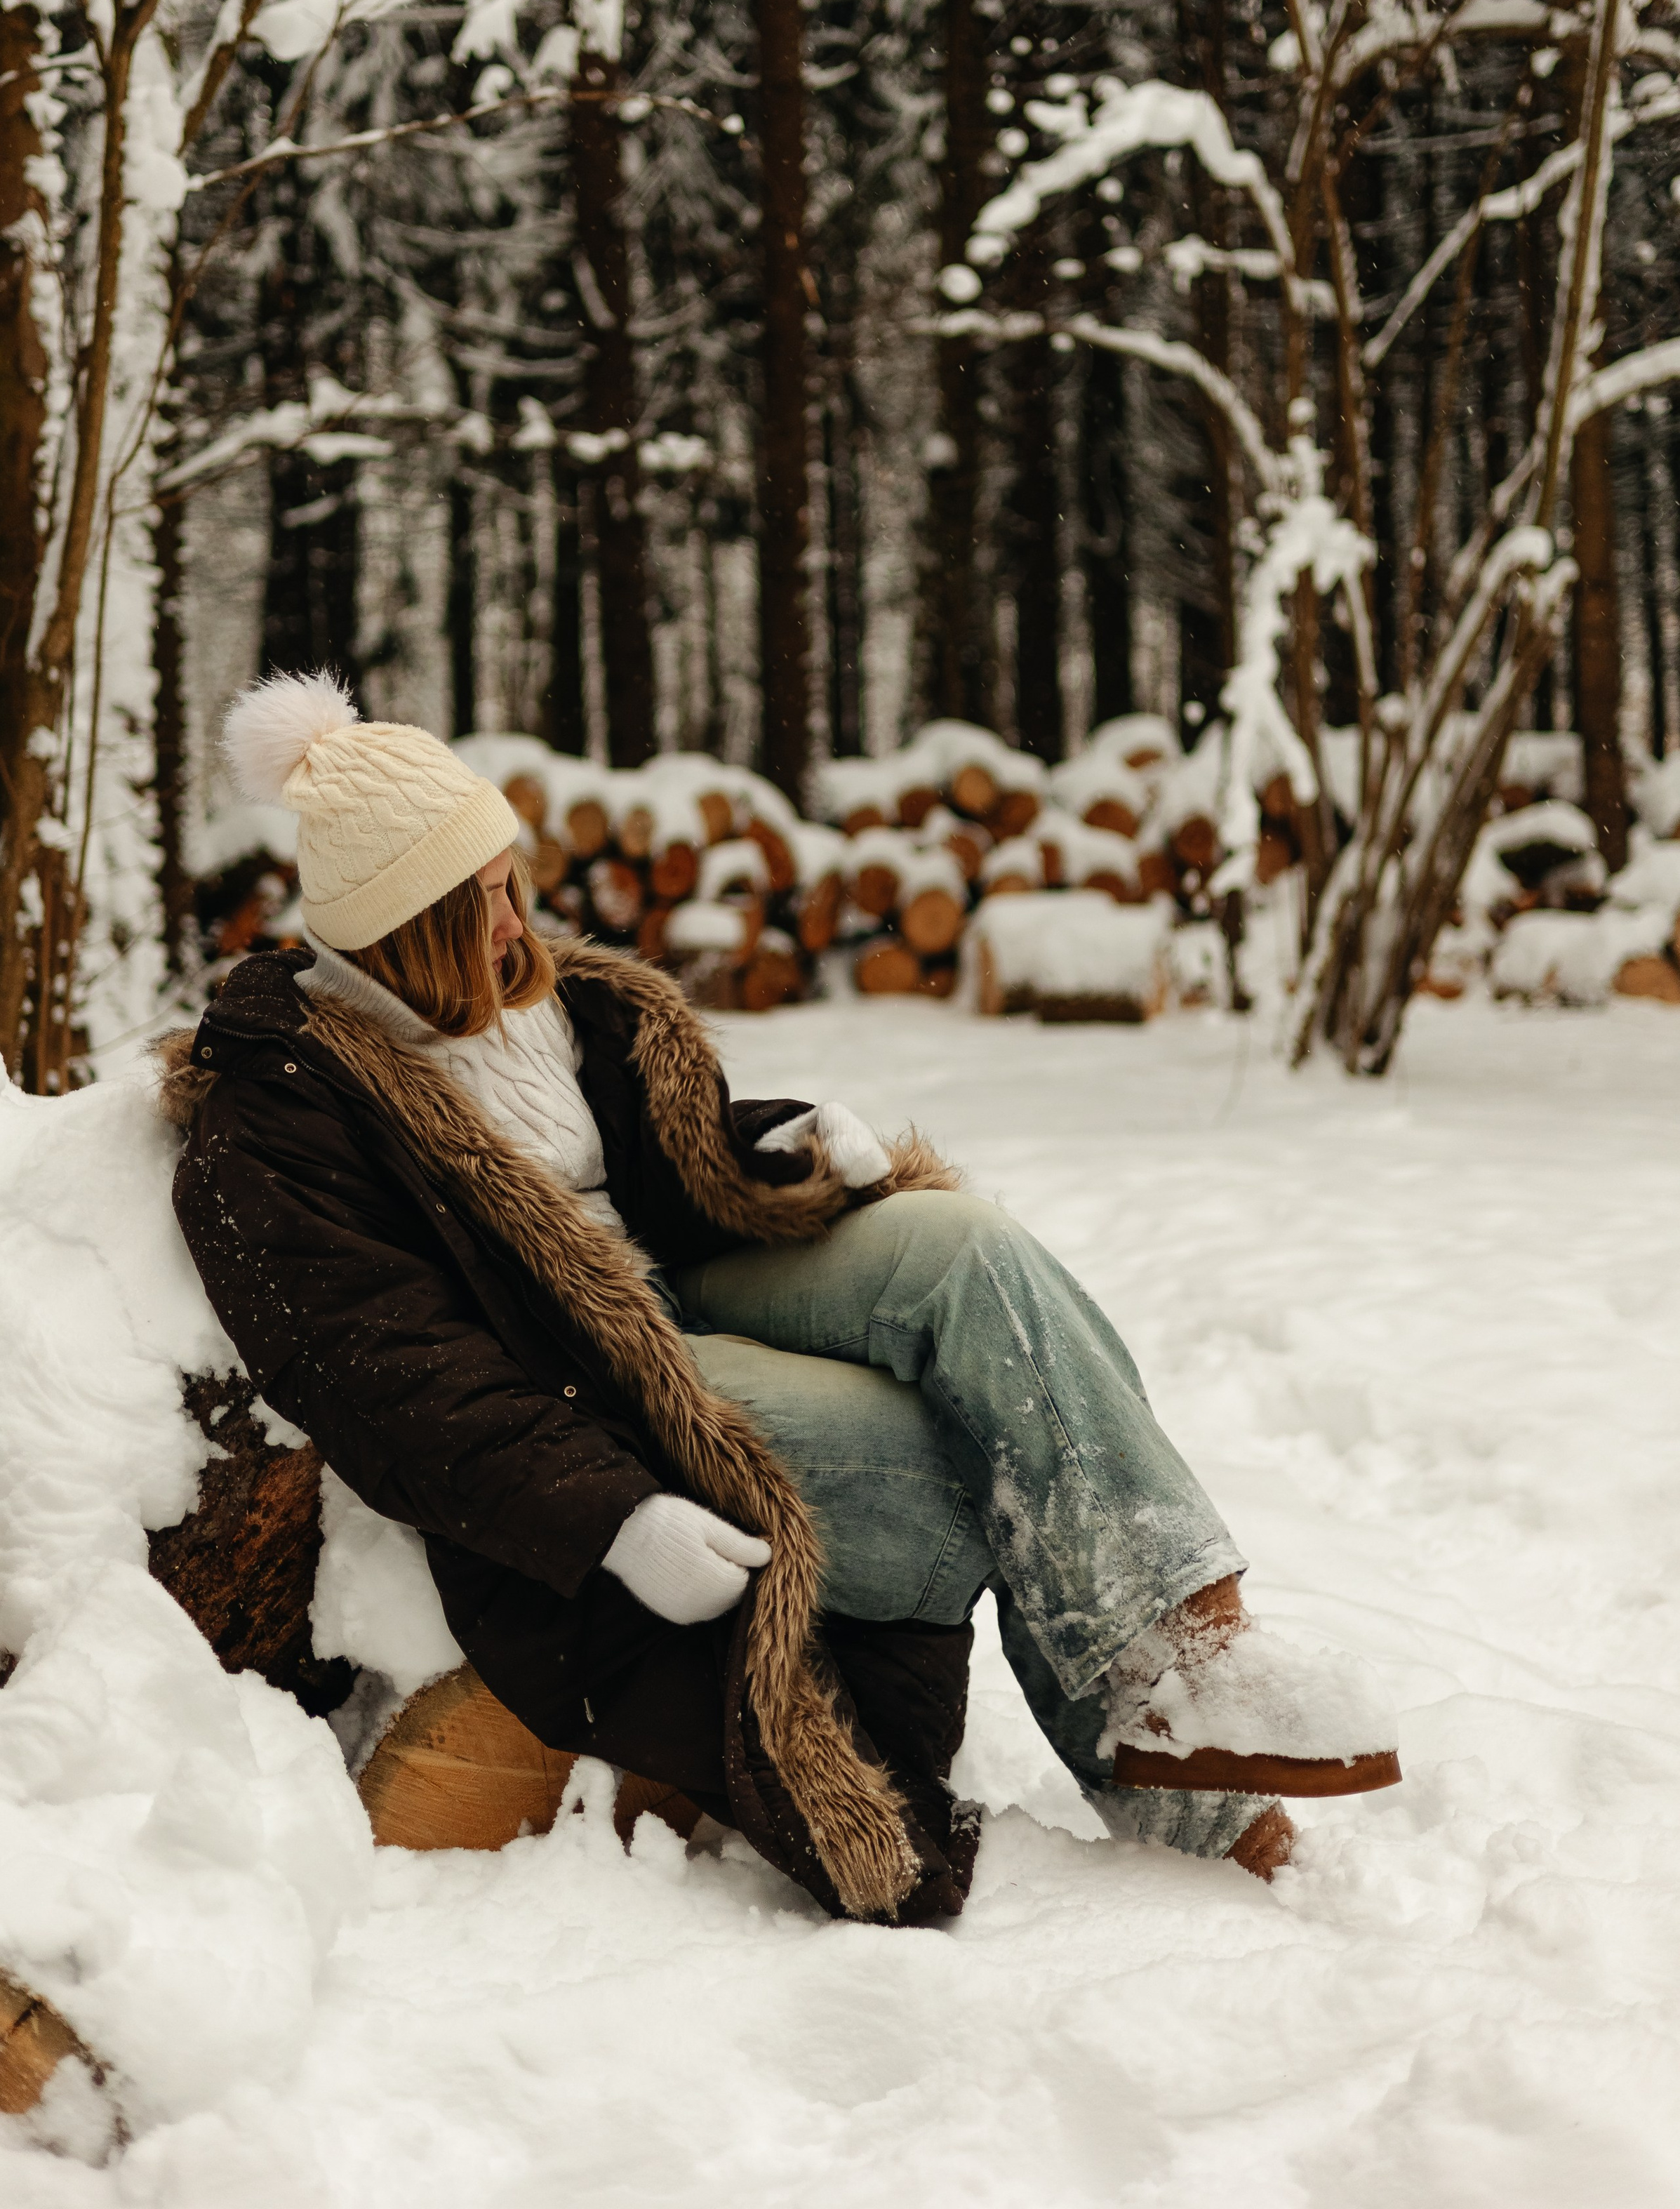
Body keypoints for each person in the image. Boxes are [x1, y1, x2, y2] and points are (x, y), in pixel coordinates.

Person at [164, 675, 1399, 1925]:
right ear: (398, 929)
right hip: (584, 1380)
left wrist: (781, 1148)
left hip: (681, 1286)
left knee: (970, 1251)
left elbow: (656, 1163)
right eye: (474, 902)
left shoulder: (540, 997)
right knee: (967, 1447)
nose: (511, 920)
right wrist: (610, 1517)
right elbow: (390, 1381)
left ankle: (1201, 1656)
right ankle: (1191, 1797)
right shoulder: (283, 1117)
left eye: (505, 882)